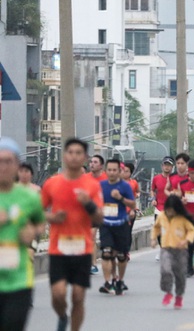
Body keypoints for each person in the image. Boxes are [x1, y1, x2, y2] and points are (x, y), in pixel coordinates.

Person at [41, 138, 104, 331]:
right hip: (58, 248)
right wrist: (52, 217)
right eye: (71, 152)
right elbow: (37, 212)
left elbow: (100, 218)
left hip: (82, 248)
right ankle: (62, 315)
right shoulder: (52, 183)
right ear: (65, 155)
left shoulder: (91, 185)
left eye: (79, 153)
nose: (74, 156)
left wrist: (88, 203)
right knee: (58, 295)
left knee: (78, 295)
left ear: (84, 157)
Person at [0, 138, 45, 331]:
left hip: (19, 280)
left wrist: (31, 232)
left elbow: (40, 225)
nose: (3, 167)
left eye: (8, 161)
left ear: (17, 165)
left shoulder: (30, 197)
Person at [98, 159, 136, 296]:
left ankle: (120, 280)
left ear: (119, 172)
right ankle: (108, 282)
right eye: (109, 170)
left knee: (120, 255)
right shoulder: (100, 185)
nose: (112, 173)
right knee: (106, 253)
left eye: (115, 170)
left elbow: (132, 204)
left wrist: (120, 198)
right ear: (105, 171)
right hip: (106, 224)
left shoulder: (125, 186)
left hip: (121, 224)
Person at [151, 195, 194, 309]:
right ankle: (168, 292)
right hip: (166, 248)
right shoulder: (161, 216)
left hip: (180, 251)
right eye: (168, 210)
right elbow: (156, 227)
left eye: (172, 210)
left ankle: (179, 296)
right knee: (165, 270)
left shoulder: (182, 218)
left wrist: (186, 240)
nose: (170, 212)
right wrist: (153, 239)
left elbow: (192, 230)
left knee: (180, 274)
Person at [151, 156, 174, 261]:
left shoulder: (175, 179)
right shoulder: (156, 178)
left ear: (172, 167)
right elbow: (153, 190)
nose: (167, 167)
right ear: (162, 166)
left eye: (169, 165)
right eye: (165, 165)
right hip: (159, 207)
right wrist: (153, 199)